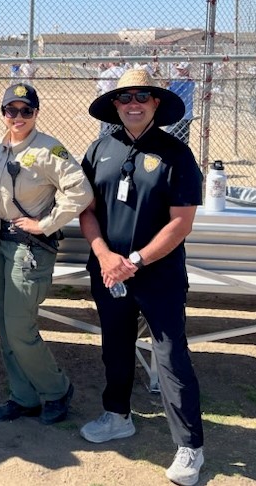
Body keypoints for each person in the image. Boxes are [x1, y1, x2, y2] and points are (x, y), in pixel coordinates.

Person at [79, 68, 205, 486]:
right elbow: (87, 210)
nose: (132, 103)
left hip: (158, 274)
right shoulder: (100, 149)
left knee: (170, 356)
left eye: (141, 97)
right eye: (124, 98)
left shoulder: (176, 153)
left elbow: (181, 222)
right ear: (114, 106)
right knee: (115, 346)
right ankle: (117, 415)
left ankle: (189, 445)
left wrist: (133, 260)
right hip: (109, 271)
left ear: (155, 104)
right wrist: (103, 254)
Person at [0, 83, 92, 425]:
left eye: (26, 110)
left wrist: (47, 223)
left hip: (27, 249)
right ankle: (22, 396)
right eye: (12, 110)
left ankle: (56, 390)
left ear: (36, 113)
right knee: (5, 328)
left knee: (21, 327)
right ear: (3, 113)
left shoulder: (50, 150)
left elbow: (80, 192)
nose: (18, 117)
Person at [96, 51, 126, 137]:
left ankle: (104, 145)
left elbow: (98, 88)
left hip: (107, 103)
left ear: (110, 61)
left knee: (105, 130)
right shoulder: (125, 72)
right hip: (122, 102)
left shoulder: (106, 73)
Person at [165, 62, 195, 145]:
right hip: (186, 115)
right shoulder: (190, 80)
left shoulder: (182, 81)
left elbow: (170, 93)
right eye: (178, 69)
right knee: (181, 140)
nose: (178, 72)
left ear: (186, 71)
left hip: (178, 115)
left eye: (181, 70)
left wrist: (167, 84)